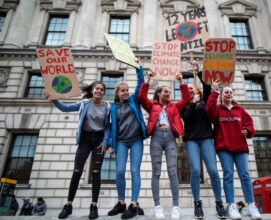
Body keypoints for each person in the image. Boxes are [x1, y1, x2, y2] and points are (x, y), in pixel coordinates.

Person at [45, 81, 111, 219]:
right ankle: (68, 205)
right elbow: (65, 108)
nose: (99, 91)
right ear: (92, 91)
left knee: (96, 173)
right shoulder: (84, 104)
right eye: (97, 89)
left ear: (104, 92)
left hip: (99, 141)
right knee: (77, 171)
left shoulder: (107, 107)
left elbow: (108, 127)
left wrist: (106, 142)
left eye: (101, 90)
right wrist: (53, 98)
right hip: (85, 140)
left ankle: (94, 206)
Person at [205, 80, 262, 220]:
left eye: (230, 92)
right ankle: (231, 205)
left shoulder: (240, 109)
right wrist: (214, 91)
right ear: (222, 95)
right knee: (228, 175)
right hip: (224, 147)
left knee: (245, 175)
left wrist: (248, 130)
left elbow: (249, 124)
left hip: (241, 147)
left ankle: (251, 205)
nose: (229, 94)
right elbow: (208, 110)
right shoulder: (217, 109)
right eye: (226, 92)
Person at [138, 71, 191, 220]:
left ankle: (175, 207)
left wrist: (181, 82)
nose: (168, 93)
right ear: (159, 94)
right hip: (156, 138)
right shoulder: (152, 106)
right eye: (166, 91)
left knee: (172, 171)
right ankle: (157, 206)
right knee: (156, 172)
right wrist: (148, 79)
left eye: (169, 91)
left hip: (170, 139)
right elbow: (141, 97)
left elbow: (187, 98)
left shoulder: (174, 107)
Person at [180, 61, 226, 219]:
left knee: (213, 170)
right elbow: (185, 118)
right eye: (187, 89)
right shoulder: (185, 105)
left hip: (206, 138)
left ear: (196, 89)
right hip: (191, 140)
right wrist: (192, 104)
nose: (189, 90)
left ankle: (219, 203)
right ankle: (197, 204)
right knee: (195, 171)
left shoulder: (205, 100)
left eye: (191, 88)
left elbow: (208, 86)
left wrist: (199, 71)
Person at [107, 59, 147, 219]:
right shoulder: (113, 107)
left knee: (135, 171)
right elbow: (109, 127)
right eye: (122, 90)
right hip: (121, 142)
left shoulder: (133, 100)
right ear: (117, 92)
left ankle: (134, 204)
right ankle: (121, 203)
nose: (125, 92)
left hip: (136, 140)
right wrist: (110, 144)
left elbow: (141, 84)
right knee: (120, 171)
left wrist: (138, 67)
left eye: (127, 90)